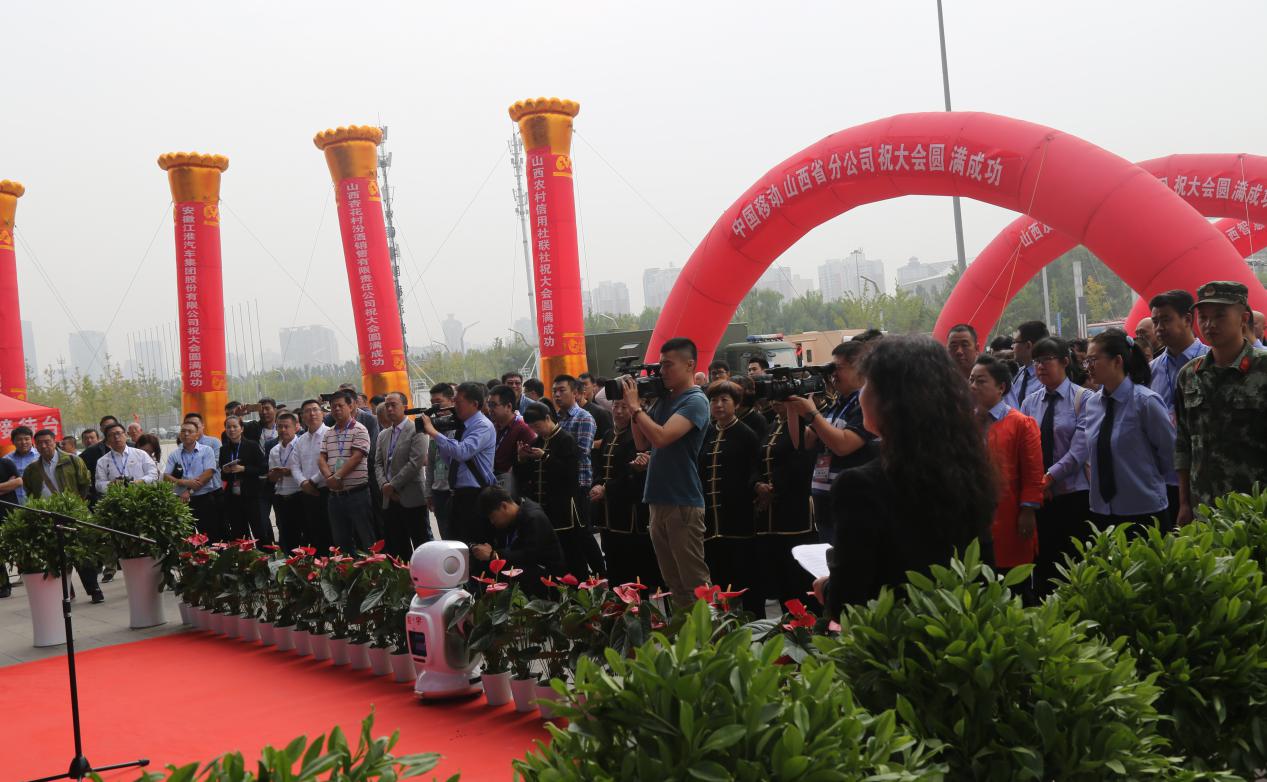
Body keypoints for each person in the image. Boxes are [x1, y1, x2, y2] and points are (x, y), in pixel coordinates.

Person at [816, 337, 997, 615]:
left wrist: (827, 588)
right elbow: (982, 571)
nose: (861, 394)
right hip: (957, 626)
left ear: (889, 401)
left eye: (867, 384)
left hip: (891, 633)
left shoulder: (860, 486)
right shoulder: (970, 469)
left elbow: (849, 598)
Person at [621, 337, 712, 610]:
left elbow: (661, 437)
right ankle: (687, 634)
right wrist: (635, 409)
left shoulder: (695, 400)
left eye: (668, 365)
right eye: (660, 365)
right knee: (674, 582)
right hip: (657, 499)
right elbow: (642, 443)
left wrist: (636, 408)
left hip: (682, 501)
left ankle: (711, 634)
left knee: (695, 583)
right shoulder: (665, 399)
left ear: (690, 365)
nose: (662, 372)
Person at [1175, 281, 1267, 523]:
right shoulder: (1189, 375)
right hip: (1204, 509)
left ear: (1243, 318)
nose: (1209, 324)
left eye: (1220, 315)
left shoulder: (1263, 367)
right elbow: (1183, 444)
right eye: (1203, 317)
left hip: (1255, 509)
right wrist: (1184, 503)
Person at [1019, 337, 1092, 597]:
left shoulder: (1084, 399)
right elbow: (1026, 450)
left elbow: (1079, 450)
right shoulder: (1029, 403)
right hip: (1041, 497)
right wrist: (1038, 483)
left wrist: (1049, 477)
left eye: (1047, 359)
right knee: (1044, 565)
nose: (1040, 366)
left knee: (1075, 563)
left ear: (1064, 361)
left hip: (1074, 494)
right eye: (1036, 361)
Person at [1082, 329, 1174, 531]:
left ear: (1117, 361)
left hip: (1144, 509)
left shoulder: (1146, 402)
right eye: (1086, 361)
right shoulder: (1092, 404)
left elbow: (1169, 455)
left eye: (1093, 360)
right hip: (1103, 511)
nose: (1088, 367)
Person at [788, 341, 877, 544]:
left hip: (854, 505)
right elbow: (803, 441)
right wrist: (792, 406)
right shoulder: (838, 404)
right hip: (827, 507)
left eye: (837, 368)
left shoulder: (868, 404)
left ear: (860, 367)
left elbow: (843, 446)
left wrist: (812, 414)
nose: (832, 375)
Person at [970, 356, 1043, 600]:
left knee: (1012, 585)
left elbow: (1033, 473)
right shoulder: (965, 423)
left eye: (981, 381)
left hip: (1009, 514)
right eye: (971, 380)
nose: (973, 386)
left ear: (1001, 387)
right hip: (974, 515)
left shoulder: (1021, 424)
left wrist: (1028, 510)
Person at [21, 429, 105, 603]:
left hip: (73, 512)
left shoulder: (72, 460)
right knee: (56, 554)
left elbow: (85, 483)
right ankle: (67, 592)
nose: (44, 446)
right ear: (36, 446)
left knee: (82, 552)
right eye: (40, 443)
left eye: (47, 441)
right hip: (48, 515)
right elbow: (30, 492)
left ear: (55, 442)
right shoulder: (31, 470)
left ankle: (94, 589)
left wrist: (77, 504)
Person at [698, 380, 761, 614]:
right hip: (711, 519)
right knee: (718, 577)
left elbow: (755, 470)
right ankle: (724, 622)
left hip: (738, 517)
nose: (718, 405)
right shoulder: (707, 433)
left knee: (745, 576)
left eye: (724, 400)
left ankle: (754, 621)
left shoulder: (746, 434)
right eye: (714, 400)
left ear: (736, 404)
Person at [752, 394, 817, 608]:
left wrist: (774, 489)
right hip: (769, 514)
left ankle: (808, 620)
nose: (776, 401)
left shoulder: (805, 426)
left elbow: (801, 462)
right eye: (774, 397)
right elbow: (758, 461)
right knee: (779, 572)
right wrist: (757, 485)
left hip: (794, 509)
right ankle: (788, 619)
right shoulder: (771, 426)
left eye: (782, 397)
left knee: (798, 573)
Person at [589, 398, 658, 588]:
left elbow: (632, 474)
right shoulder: (609, 434)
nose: (618, 411)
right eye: (615, 406)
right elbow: (600, 466)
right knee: (612, 560)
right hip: (608, 511)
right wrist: (597, 484)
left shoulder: (638, 436)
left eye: (624, 407)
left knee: (633, 566)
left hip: (629, 511)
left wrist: (607, 488)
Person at [516, 402, 590, 576]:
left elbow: (570, 474)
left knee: (570, 551)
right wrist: (522, 459)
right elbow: (526, 477)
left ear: (548, 418)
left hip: (563, 507)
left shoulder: (565, 439)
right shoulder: (537, 441)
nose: (536, 430)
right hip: (544, 507)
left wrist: (545, 457)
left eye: (537, 425)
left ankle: (579, 586)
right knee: (550, 555)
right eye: (532, 427)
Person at [419, 381, 495, 544]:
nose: (454, 406)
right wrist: (441, 435)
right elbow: (450, 460)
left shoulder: (482, 426)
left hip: (475, 494)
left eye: (458, 402)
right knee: (455, 543)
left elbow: (462, 452)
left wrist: (433, 432)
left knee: (473, 543)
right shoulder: (461, 426)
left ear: (474, 404)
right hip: (457, 494)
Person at [553, 374, 605, 574]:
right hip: (561, 484)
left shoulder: (583, 417)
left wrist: (551, 454)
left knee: (583, 531)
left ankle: (601, 574)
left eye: (562, 390)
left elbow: (582, 451)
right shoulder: (556, 418)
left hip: (579, 482)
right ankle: (579, 575)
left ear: (575, 393)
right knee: (569, 534)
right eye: (555, 391)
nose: (557, 395)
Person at [472, 486, 566, 596]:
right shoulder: (513, 518)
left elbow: (529, 556)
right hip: (527, 572)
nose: (492, 522)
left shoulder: (534, 517)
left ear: (504, 506)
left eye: (492, 517)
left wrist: (494, 555)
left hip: (547, 580)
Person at [375, 392, 432, 558]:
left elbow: (415, 462)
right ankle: (403, 573)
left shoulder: (417, 429)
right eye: (387, 406)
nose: (389, 409)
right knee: (397, 546)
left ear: (405, 407)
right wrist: (384, 485)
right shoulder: (383, 434)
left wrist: (392, 485)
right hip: (389, 498)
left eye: (393, 405)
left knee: (422, 544)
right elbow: (378, 464)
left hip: (412, 497)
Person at [319, 391, 376, 552]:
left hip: (357, 494)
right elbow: (321, 458)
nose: (336, 409)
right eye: (333, 407)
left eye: (340, 405)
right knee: (341, 541)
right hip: (335, 496)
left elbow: (357, 457)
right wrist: (329, 478)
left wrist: (337, 476)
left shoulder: (360, 429)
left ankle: (374, 568)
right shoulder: (329, 432)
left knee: (367, 538)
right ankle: (347, 567)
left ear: (350, 407)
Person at [164, 421, 223, 540]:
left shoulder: (206, 450)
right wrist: (183, 482)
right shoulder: (174, 454)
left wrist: (188, 491)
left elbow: (208, 473)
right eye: (183, 431)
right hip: (181, 502)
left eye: (190, 431)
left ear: (197, 434)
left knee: (209, 535)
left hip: (203, 499)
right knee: (187, 537)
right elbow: (166, 476)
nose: (186, 434)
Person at [219, 415, 270, 544]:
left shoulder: (252, 445)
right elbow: (223, 476)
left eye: (235, 426)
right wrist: (225, 471)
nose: (231, 430)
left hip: (252, 495)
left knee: (259, 530)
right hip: (233, 497)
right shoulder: (224, 449)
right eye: (228, 427)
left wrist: (244, 469)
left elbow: (263, 468)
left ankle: (264, 555)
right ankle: (244, 556)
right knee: (239, 533)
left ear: (241, 429)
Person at [294, 399, 334, 552]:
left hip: (327, 491)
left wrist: (312, 481)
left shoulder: (331, 434)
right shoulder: (301, 440)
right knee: (313, 533)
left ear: (322, 413)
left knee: (331, 533)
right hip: (307, 492)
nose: (312, 414)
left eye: (315, 410)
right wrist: (303, 483)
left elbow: (331, 462)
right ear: (302, 416)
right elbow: (294, 465)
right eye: (307, 411)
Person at [266, 412, 305, 552]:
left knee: (304, 534)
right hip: (280, 498)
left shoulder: (302, 445)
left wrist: (291, 472)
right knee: (286, 535)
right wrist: (274, 474)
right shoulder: (274, 450)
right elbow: (271, 478)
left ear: (296, 427)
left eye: (286, 426)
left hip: (299, 495)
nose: (283, 430)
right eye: (279, 427)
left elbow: (307, 470)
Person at [488, 384, 536, 493]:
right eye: (489, 404)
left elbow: (528, 464)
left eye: (493, 405)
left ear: (509, 406)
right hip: (494, 482)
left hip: (512, 487)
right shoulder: (493, 426)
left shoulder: (523, 429)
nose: (490, 409)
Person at [424, 383, 457, 538]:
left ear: (452, 400)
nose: (435, 407)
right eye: (432, 403)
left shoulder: (460, 427)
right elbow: (430, 464)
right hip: (439, 492)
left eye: (439, 402)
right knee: (445, 538)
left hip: (454, 491)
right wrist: (428, 492)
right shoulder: (434, 428)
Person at [93, 422, 159, 494]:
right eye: (111, 435)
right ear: (107, 440)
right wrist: (112, 484)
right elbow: (99, 484)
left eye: (118, 433)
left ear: (125, 435)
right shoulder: (102, 461)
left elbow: (153, 474)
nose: (116, 437)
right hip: (116, 498)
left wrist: (141, 481)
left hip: (141, 496)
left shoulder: (141, 454)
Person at [1007, 320, 1049, 406]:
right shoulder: (1018, 373)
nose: (1012, 346)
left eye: (1015, 342)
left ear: (1028, 345)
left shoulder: (1047, 378)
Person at [578, 373, 614, 449]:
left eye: (585, 384)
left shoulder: (601, 409)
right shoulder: (575, 409)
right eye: (580, 385)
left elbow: (609, 438)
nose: (582, 387)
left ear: (594, 386)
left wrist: (586, 444)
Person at [4, 426, 39, 503]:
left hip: (37, 502)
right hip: (14, 503)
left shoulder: (40, 456)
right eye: (19, 440)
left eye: (27, 439)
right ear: (13, 441)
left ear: (31, 440)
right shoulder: (6, 460)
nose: (23, 442)